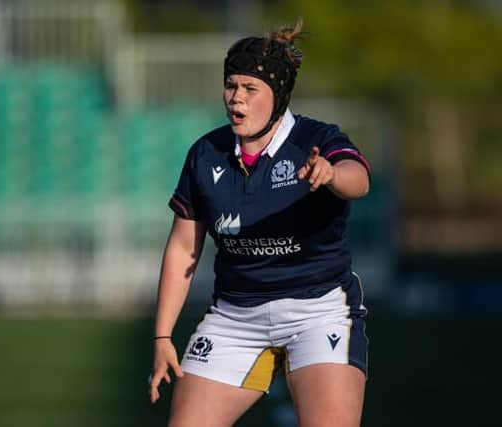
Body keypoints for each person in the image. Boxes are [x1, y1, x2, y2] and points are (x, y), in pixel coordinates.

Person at [149, 19, 371, 427]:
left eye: (250, 89)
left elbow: (359, 180)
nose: (237, 99)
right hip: (235, 317)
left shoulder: (315, 138)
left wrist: (332, 174)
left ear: (279, 96)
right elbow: (184, 247)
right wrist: (163, 336)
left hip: (318, 310)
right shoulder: (206, 153)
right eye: (231, 86)